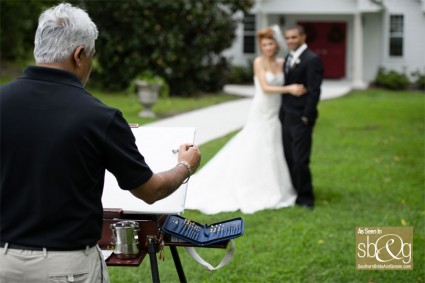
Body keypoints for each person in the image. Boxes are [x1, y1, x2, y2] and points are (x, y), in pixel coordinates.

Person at [0, 3, 200, 283]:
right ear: (80, 54)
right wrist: (185, 166)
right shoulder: (99, 117)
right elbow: (151, 191)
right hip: (66, 266)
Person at [185, 26, 306, 215]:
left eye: (270, 43)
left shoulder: (283, 62)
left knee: (273, 144)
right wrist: (289, 89)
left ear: (276, 45)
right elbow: (265, 87)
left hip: (276, 111)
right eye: (264, 44)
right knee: (256, 141)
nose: (267, 47)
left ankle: (276, 186)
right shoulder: (259, 62)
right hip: (262, 107)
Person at [279, 25, 324, 209]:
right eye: (287, 38)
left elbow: (314, 91)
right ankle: (297, 190)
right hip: (286, 116)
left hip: (301, 118)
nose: (290, 41)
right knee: (289, 157)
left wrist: (307, 116)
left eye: (294, 37)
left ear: (303, 37)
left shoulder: (312, 59)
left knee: (300, 160)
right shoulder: (288, 58)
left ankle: (306, 198)